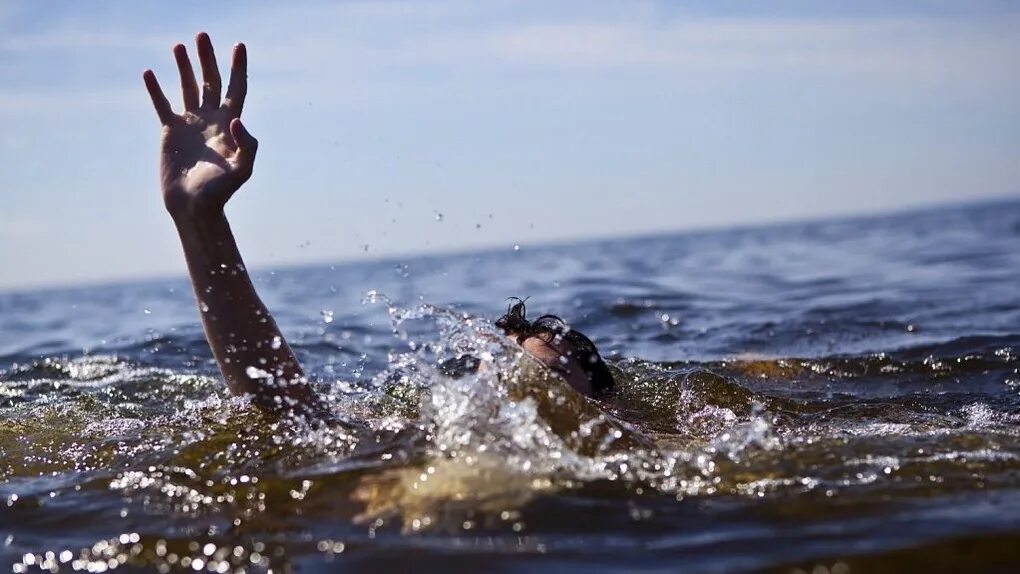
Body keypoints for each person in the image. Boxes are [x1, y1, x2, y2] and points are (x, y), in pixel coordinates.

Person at [142, 33, 613, 418]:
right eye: (505, 375)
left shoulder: (633, 455)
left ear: (604, 406)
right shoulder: (423, 447)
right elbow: (287, 412)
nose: (519, 390)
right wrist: (199, 220)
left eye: (548, 377)